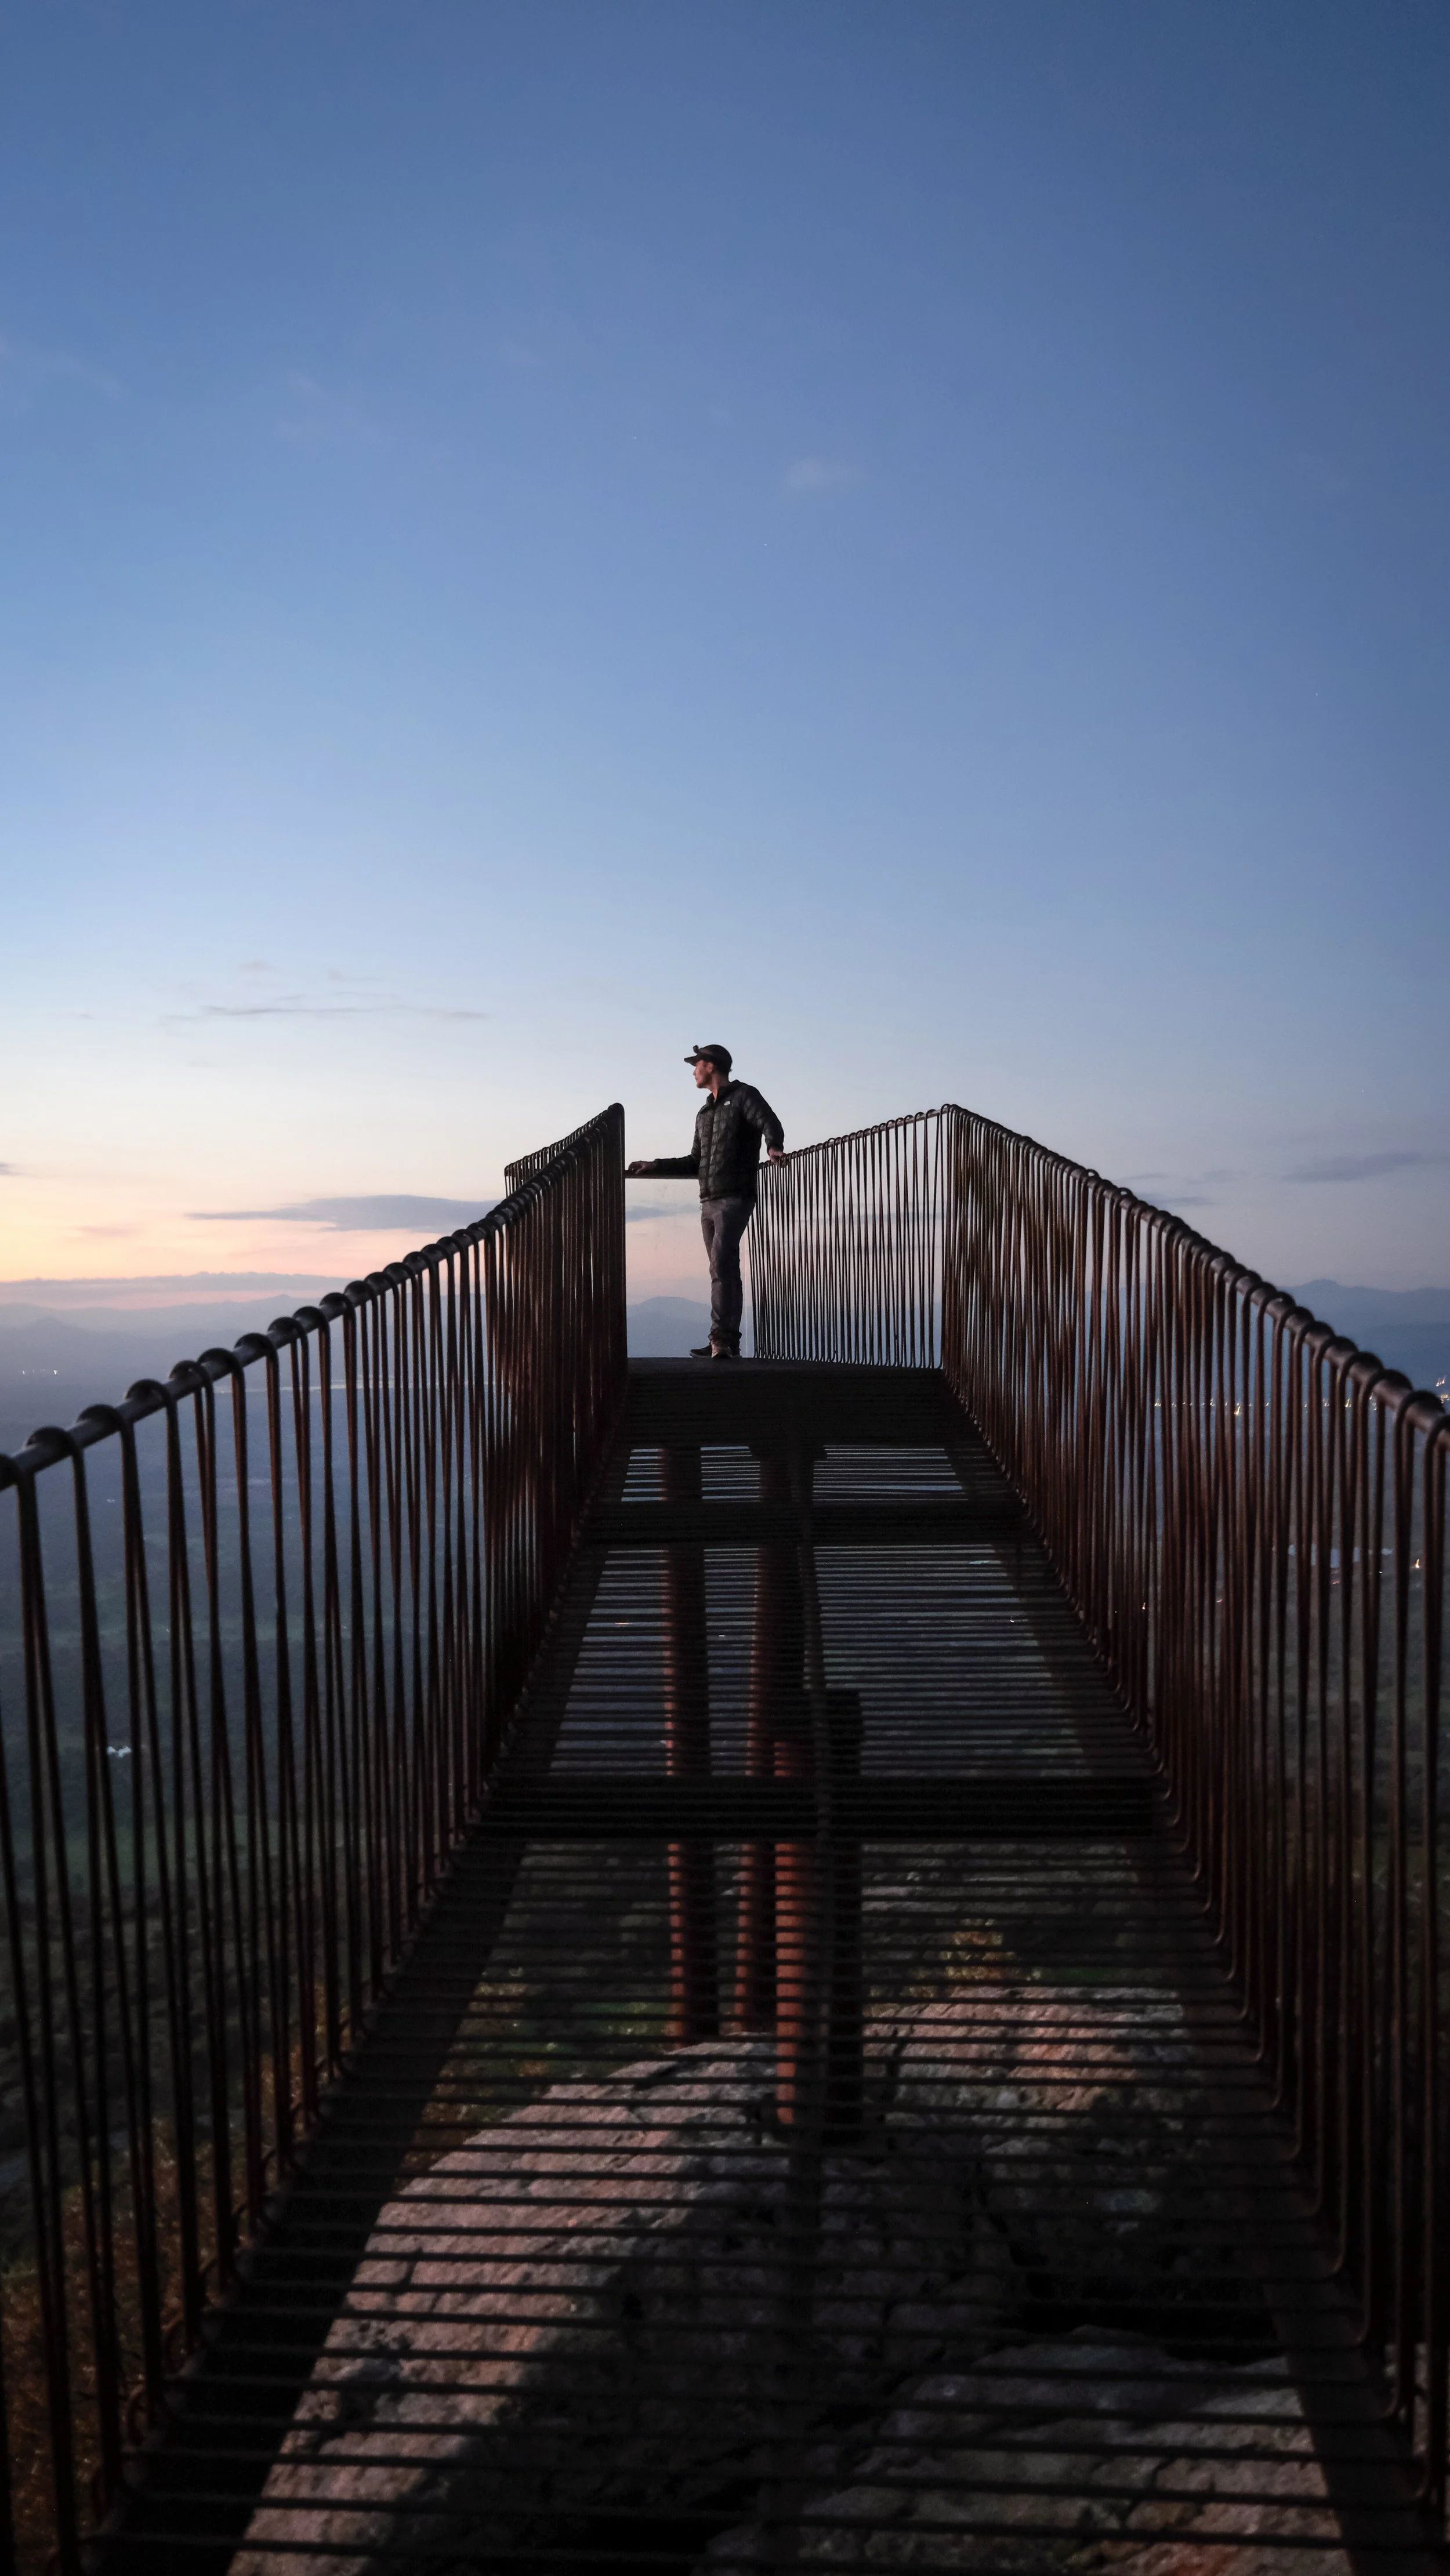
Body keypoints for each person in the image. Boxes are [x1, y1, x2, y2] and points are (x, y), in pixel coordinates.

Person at [626, 1046, 787, 1359]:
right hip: (709, 1201)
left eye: (696, 1065)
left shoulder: (744, 1096)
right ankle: (724, 1340)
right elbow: (695, 1161)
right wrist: (656, 1165)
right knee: (721, 1268)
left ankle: (722, 1340)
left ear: (710, 1066)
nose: (693, 1071)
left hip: (734, 1196)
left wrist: (774, 1148)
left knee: (722, 1264)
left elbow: (769, 1122)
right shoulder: (704, 1113)